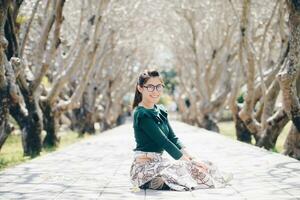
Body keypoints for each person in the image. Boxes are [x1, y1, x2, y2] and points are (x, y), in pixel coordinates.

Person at [129, 69, 232, 191]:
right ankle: (152, 182)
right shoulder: (141, 114)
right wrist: (190, 163)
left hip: (159, 162)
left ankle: (214, 177)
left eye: (158, 86)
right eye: (150, 87)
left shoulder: (160, 110)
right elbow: (164, 142)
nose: (155, 91)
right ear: (140, 88)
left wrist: (193, 159)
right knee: (182, 166)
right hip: (144, 167)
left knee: (204, 163)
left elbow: (173, 138)